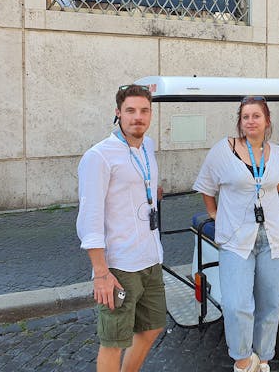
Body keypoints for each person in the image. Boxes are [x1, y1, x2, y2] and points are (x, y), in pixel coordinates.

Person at [193, 96, 279, 372]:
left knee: (270, 304)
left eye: (256, 116)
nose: (251, 121)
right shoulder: (222, 151)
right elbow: (206, 186)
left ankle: (264, 359)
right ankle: (243, 361)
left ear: (267, 120)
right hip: (236, 239)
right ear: (240, 121)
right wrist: (215, 214)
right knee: (237, 305)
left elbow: (276, 186)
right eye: (246, 116)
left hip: (273, 238)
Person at [77, 84, 166, 371]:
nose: (137, 117)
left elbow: (140, 183)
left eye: (144, 110)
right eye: (130, 111)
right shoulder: (99, 156)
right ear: (118, 114)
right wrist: (100, 273)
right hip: (119, 266)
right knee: (114, 340)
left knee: (152, 327)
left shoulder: (147, 146)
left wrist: (150, 192)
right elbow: (90, 218)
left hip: (151, 257)